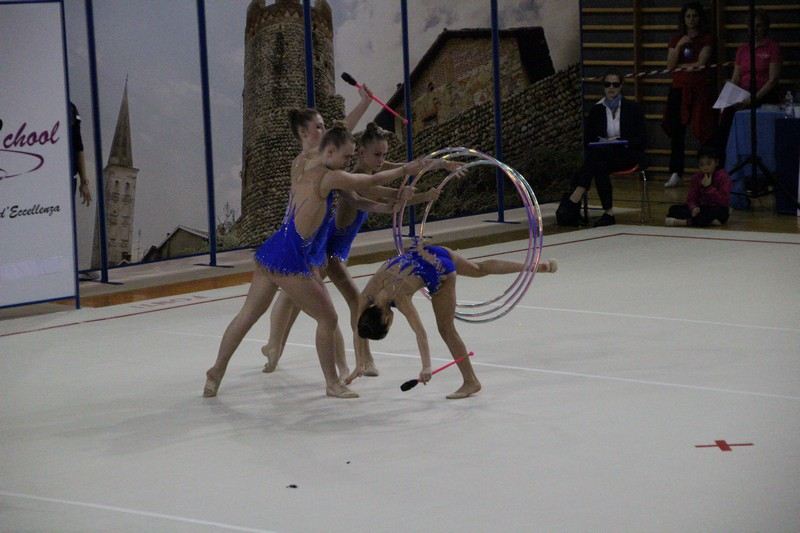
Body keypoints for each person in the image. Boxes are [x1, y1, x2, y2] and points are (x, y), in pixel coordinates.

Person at [203, 122, 447, 399]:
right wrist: (405, 171)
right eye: (345, 157)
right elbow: (367, 181)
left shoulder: (301, 163)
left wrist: (402, 192)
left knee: (247, 316)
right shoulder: (329, 178)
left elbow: (361, 191)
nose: (348, 163)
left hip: (271, 251)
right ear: (330, 151)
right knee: (328, 318)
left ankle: (215, 373)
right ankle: (332, 382)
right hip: (291, 261)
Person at [261, 122, 439, 377]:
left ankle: (275, 348)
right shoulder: (351, 180)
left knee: (296, 301)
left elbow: (393, 176)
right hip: (328, 253)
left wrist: (439, 169)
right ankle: (362, 360)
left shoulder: (367, 170)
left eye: (384, 155)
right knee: (351, 302)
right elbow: (380, 193)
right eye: (377, 155)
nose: (382, 160)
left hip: (332, 252)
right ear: (360, 154)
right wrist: (415, 197)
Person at [350, 242, 558, 399]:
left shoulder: (400, 298)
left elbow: (420, 333)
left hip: (440, 274)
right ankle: (535, 266)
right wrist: (360, 362)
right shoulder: (367, 294)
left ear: (386, 318)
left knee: (446, 330)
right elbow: (358, 327)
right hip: (431, 252)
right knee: (478, 269)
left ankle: (471, 381)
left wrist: (426, 367)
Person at [556, 70, 646, 227]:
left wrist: (622, 141)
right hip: (604, 155)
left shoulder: (632, 108)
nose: (611, 88)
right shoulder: (596, 110)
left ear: (621, 86)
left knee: (597, 160)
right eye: (607, 84)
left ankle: (575, 197)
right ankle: (607, 212)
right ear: (603, 87)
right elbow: (589, 139)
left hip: (627, 153)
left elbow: (642, 138)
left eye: (615, 84)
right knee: (599, 163)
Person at [715, 9, 782, 160]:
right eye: (752, 26)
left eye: (759, 26)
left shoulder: (772, 47)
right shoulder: (743, 49)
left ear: (765, 27)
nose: (755, 30)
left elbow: (773, 80)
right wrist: (729, 96)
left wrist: (754, 98)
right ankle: (722, 162)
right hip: (743, 91)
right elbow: (735, 78)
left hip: (763, 92)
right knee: (724, 117)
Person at [662, 2, 716, 188]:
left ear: (700, 18)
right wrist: (678, 48)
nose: (691, 20)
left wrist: (682, 66)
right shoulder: (677, 38)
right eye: (688, 16)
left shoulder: (707, 38)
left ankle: (707, 173)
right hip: (679, 89)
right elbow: (670, 66)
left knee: (704, 130)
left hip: (700, 90)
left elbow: (701, 63)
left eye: (695, 16)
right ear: (683, 19)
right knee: (677, 132)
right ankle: (676, 172)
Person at [665, 146, 731, 226]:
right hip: (701, 208)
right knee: (673, 209)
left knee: (714, 214)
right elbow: (691, 198)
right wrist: (693, 207)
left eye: (709, 163)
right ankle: (708, 221)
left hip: (717, 208)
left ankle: (683, 222)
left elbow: (723, 200)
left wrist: (708, 188)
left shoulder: (723, 177)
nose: (705, 167)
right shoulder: (697, 177)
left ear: (716, 162)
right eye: (702, 165)